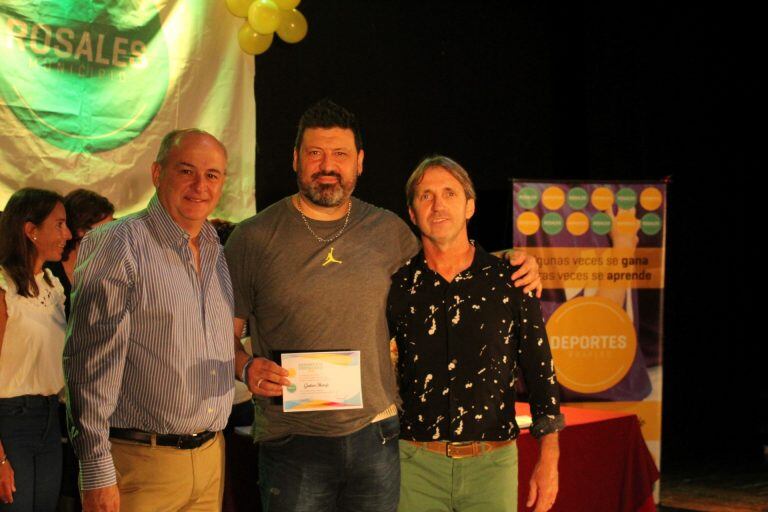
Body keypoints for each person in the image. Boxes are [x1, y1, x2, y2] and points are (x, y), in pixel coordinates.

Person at [224, 99, 541, 511]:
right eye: (315, 153)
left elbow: (450, 267)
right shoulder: (252, 238)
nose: (327, 165)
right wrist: (245, 366)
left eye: (340, 154)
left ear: (359, 162)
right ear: (296, 160)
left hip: (377, 440)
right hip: (292, 442)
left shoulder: (387, 230)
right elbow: (220, 337)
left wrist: (511, 261)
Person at [64, 129, 235, 512]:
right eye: (186, 171)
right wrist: (95, 468)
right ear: (158, 173)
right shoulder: (118, 244)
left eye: (212, 175)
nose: (199, 186)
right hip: (140, 465)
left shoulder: (215, 250)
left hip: (210, 459)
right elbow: (88, 366)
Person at [387, 156, 564, 512]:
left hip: (492, 466)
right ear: (411, 212)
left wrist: (550, 460)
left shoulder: (510, 280)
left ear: (470, 206)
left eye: (450, 193)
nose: (438, 205)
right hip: (415, 466)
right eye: (426, 196)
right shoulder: (398, 287)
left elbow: (540, 372)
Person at [0, 188, 72, 510]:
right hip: (10, 421)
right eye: (59, 225)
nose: (67, 234)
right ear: (31, 231)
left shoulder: (52, 286)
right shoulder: (3, 287)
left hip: (48, 418)